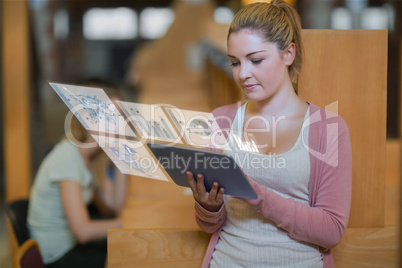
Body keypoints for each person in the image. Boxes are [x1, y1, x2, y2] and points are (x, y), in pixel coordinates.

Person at [186, 1, 352, 267]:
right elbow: (209, 226)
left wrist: (255, 194)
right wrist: (208, 205)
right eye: (234, 63)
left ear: (288, 54)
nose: (243, 74)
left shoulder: (328, 128)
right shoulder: (221, 121)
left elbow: (331, 230)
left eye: (256, 60)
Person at [27, 85, 127, 268]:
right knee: (129, 256)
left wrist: (121, 154)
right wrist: (126, 224)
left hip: (73, 244)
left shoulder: (93, 159)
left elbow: (114, 206)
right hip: (58, 255)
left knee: (130, 247)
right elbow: (83, 232)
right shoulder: (67, 158)